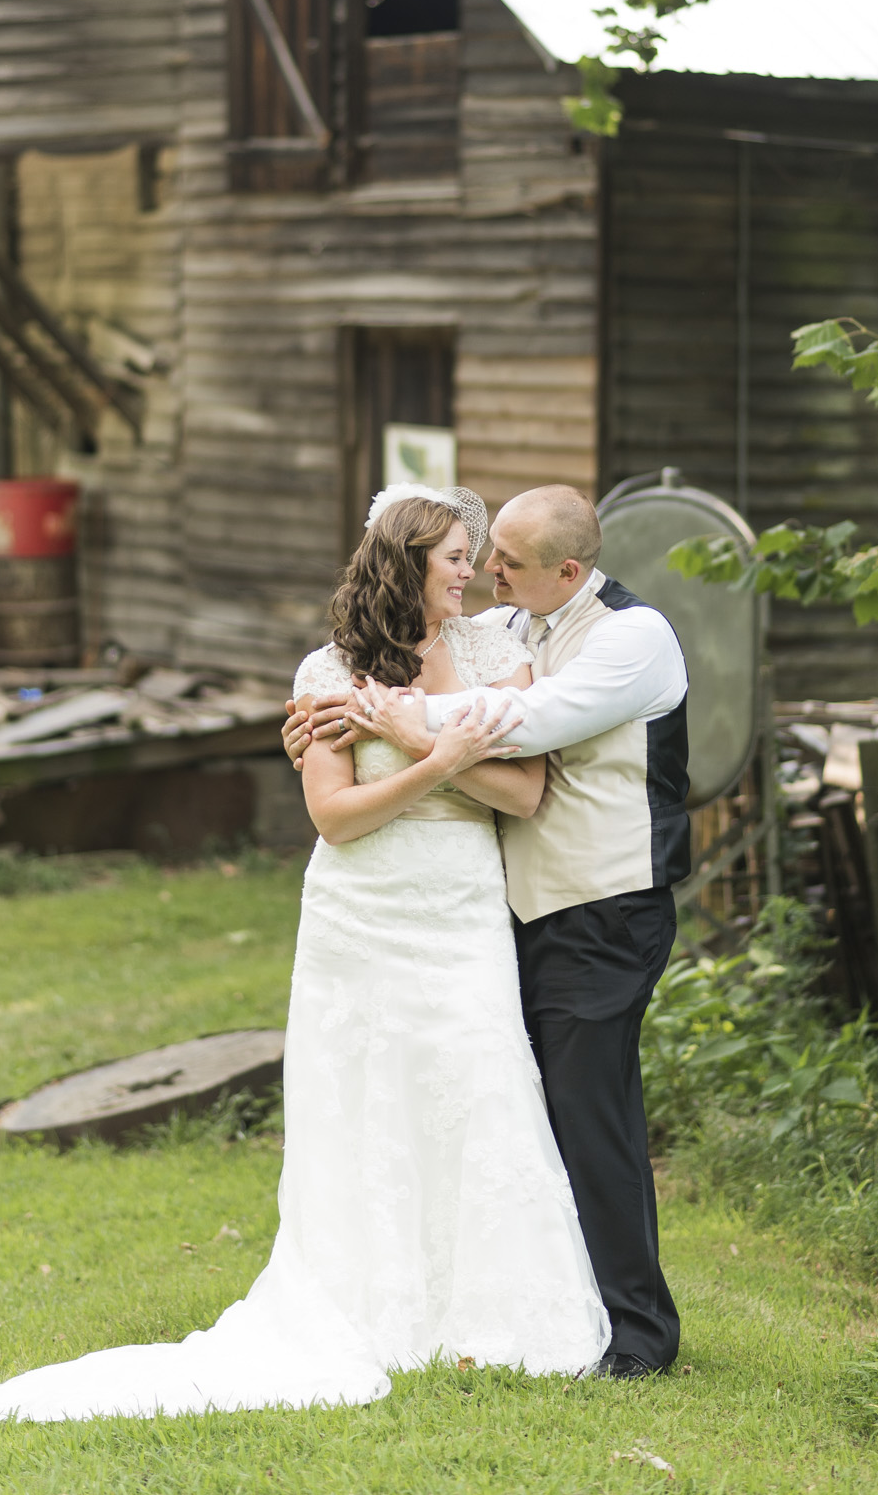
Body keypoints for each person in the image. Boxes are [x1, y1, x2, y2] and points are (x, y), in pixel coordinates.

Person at [0, 485, 606, 1425]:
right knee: (365, 1101)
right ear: (406, 563)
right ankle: (373, 1299)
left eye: (475, 556)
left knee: (478, 1086)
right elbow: (335, 820)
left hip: (461, 907)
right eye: (457, 558)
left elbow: (523, 795)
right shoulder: (327, 670)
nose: (474, 573)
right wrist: (434, 760)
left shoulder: (497, 652)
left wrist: (408, 734)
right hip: (361, 914)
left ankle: (485, 1309)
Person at [284, 483, 689, 1380]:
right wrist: (332, 718)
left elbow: (524, 738)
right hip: (501, 906)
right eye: (470, 555)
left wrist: (386, 721)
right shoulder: (512, 629)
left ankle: (636, 1337)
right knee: (503, 1111)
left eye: (500, 558)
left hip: (603, 903)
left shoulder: (629, 638)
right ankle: (454, 1295)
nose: (486, 571)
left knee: (585, 1113)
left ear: (567, 571)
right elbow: (343, 797)